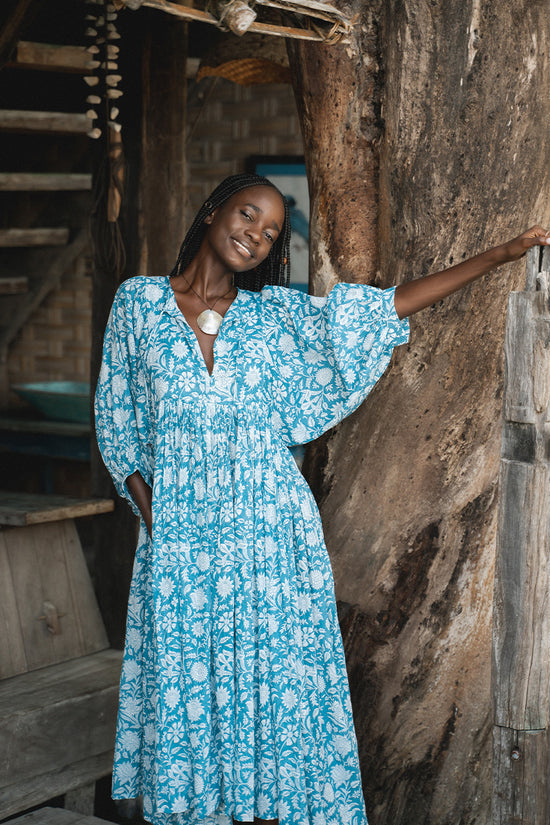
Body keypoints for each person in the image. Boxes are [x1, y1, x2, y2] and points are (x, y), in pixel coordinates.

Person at [94, 173, 550, 825]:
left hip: (271, 539)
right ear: (214, 209)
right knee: (189, 690)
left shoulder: (274, 318)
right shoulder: (138, 304)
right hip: (181, 545)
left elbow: (385, 309)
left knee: (273, 694)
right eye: (247, 214)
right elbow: (118, 422)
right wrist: (157, 519)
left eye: (270, 231)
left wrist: (502, 253)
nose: (255, 234)